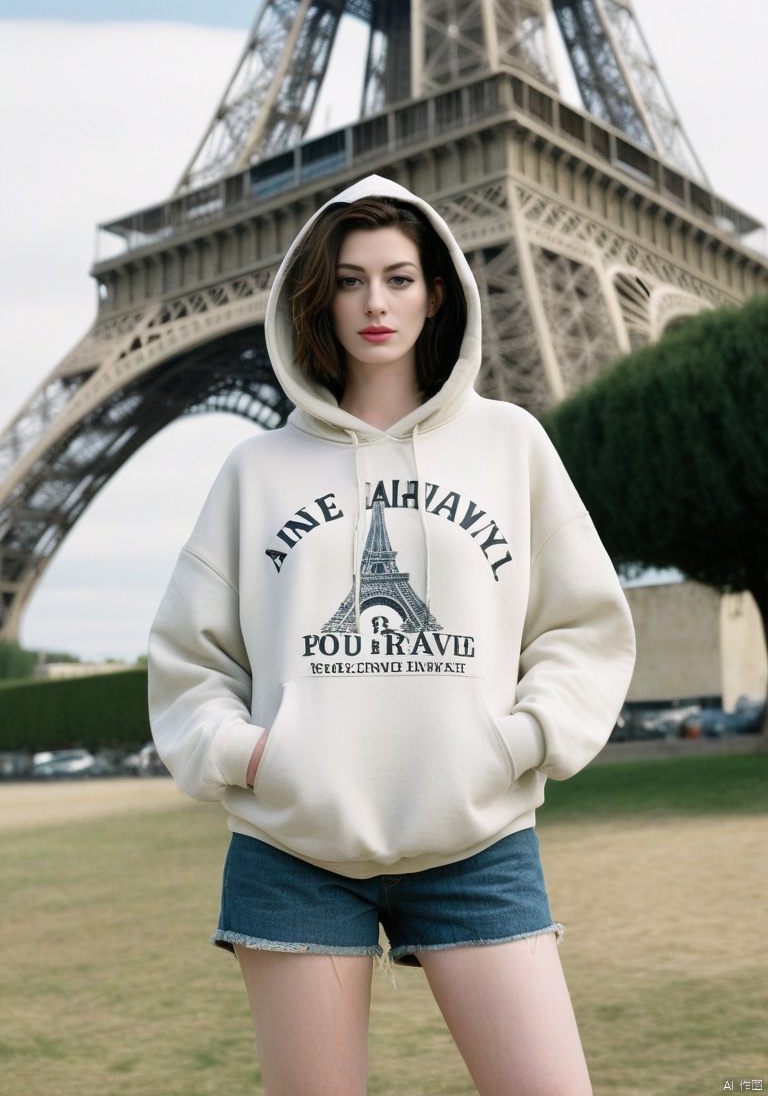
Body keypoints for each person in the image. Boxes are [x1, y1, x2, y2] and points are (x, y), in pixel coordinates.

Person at [148, 174, 636, 1096]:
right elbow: (191, 656)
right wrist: (249, 753)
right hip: (293, 851)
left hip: (478, 841)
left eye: (400, 278)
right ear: (317, 296)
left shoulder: (511, 443)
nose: (376, 302)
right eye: (351, 279)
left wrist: (526, 737)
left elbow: (581, 623)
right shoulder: (257, 469)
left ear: (438, 289)